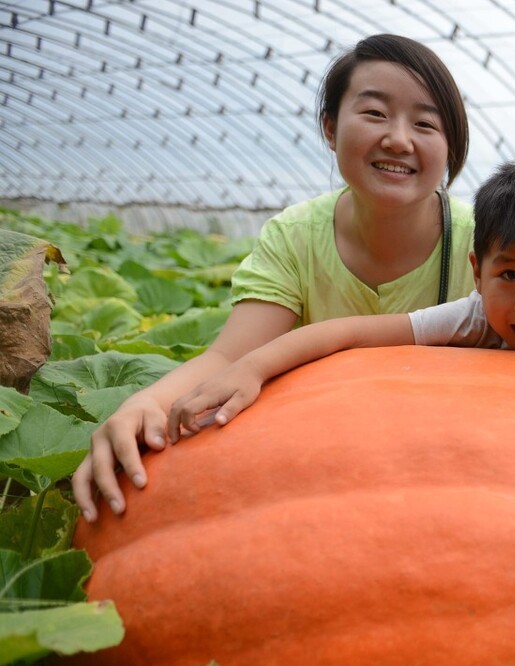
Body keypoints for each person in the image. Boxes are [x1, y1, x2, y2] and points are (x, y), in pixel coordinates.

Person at [168, 156, 515, 550]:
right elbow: (350, 332)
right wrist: (253, 366)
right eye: (509, 275)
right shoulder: (469, 316)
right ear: (477, 271)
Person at [72, 34, 476, 522]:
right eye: (373, 113)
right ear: (330, 128)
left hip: (446, 469)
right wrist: (146, 401)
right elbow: (229, 355)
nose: (398, 138)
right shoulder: (295, 237)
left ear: (450, 145)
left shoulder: (488, 246)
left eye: (425, 123)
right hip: (315, 467)